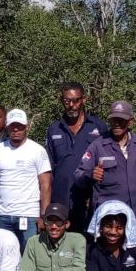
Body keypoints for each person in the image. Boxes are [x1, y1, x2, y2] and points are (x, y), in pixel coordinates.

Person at [73, 101, 136, 241]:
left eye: (121, 120)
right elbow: (78, 176)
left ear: (131, 121)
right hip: (109, 224)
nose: (117, 123)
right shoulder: (98, 146)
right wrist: (90, 175)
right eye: (113, 120)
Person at [0, 108, 52, 249]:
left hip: (29, 216)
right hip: (3, 215)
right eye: (12, 126)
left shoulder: (38, 150)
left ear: (26, 126)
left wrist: (44, 216)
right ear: (7, 127)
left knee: (29, 256)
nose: (16, 130)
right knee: (5, 255)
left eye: (20, 126)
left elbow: (45, 185)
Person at [45, 83, 107, 232]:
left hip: (88, 199)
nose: (71, 105)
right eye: (67, 101)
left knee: (88, 245)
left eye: (76, 100)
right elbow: (49, 168)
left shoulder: (99, 127)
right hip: (60, 199)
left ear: (84, 100)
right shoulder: (54, 129)